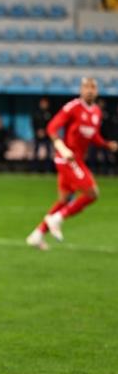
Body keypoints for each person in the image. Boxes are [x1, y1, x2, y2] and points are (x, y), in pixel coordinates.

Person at [26, 77, 118, 250]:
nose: (89, 90)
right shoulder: (72, 107)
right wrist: (61, 147)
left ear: (97, 91)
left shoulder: (96, 112)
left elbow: (93, 136)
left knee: (64, 199)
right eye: (86, 87)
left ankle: (37, 235)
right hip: (67, 158)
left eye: (93, 87)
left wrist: (107, 145)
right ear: (81, 90)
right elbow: (52, 127)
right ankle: (57, 219)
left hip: (77, 160)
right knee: (92, 193)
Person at [31, 97, 53, 172]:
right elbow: (33, 124)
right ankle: (35, 169)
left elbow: (51, 125)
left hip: (47, 136)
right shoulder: (36, 113)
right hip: (37, 136)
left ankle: (48, 169)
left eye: (45, 103)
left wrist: (45, 132)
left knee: (48, 153)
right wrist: (37, 132)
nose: (44, 105)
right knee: (35, 152)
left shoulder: (49, 113)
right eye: (43, 103)